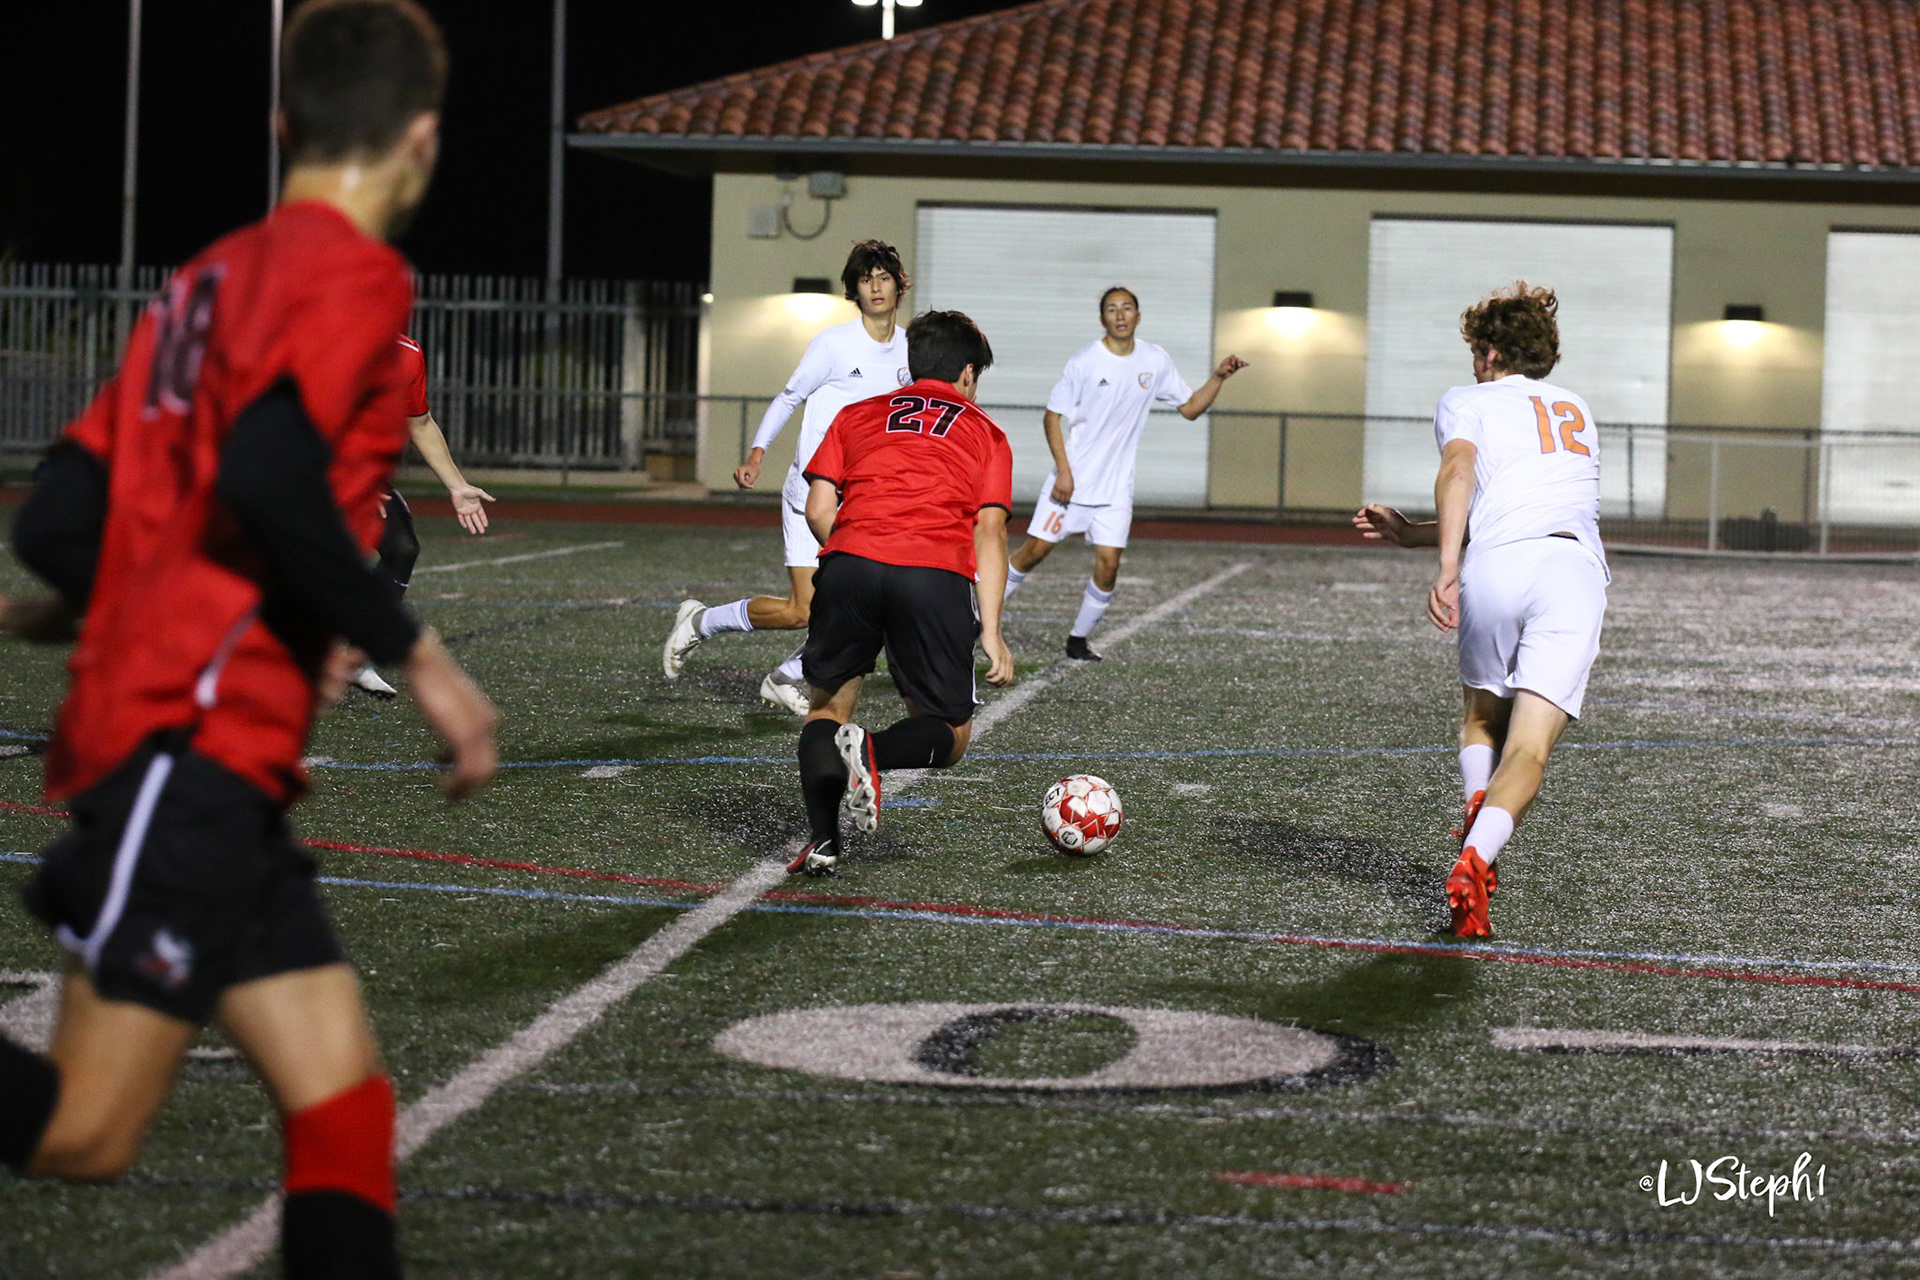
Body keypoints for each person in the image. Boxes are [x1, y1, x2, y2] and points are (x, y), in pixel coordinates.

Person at [0, 5, 498, 1277]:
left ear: (285, 124)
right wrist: (419, 656)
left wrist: (142, 599)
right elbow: (270, 472)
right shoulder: (357, 276)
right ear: (423, 139)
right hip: (191, 747)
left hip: (212, 757)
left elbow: (57, 518)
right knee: (84, 1130)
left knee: (343, 1105)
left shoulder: (207, 280)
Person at [1353, 281, 1608, 939]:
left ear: (1492, 353)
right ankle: (1475, 859)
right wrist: (1414, 534)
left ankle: (1475, 805)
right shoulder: (1576, 407)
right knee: (1529, 748)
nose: (1472, 362)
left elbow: (1459, 473)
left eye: (1476, 350)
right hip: (1572, 570)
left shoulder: (1466, 400)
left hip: (1496, 566)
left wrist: (1442, 563)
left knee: (1481, 718)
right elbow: (1522, 501)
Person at [788, 310, 1016, 875]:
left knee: (827, 708)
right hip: (932, 574)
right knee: (951, 733)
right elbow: (989, 530)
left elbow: (817, 509)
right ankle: (873, 751)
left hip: (850, 563)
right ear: (968, 373)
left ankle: (824, 842)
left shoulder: (856, 413)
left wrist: (855, 553)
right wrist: (991, 630)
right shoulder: (987, 433)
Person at [663, 240, 911, 714]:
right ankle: (701, 623)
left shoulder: (910, 350)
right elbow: (788, 398)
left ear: (900, 285)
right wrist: (756, 454)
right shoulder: (834, 344)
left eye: (884, 278)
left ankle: (783, 678)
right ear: (854, 290)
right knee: (808, 611)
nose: (876, 287)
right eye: (866, 280)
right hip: (812, 494)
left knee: (865, 606)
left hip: (864, 499)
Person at [1001, 286, 1247, 659]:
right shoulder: (1085, 361)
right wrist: (1064, 472)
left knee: (1110, 563)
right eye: (1112, 309)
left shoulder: (1154, 360)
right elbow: (1052, 417)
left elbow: (1190, 408)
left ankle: (1078, 640)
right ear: (1102, 319)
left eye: (1127, 308)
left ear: (1138, 316)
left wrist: (1218, 377)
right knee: (1033, 553)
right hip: (1071, 485)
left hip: (1115, 490)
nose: (1120, 315)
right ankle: (976, 615)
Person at [351, 332, 497, 698]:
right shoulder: (320, 337)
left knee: (401, 547)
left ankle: (358, 657)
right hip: (297, 467)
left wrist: (457, 485)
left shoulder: (407, 353)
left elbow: (420, 423)